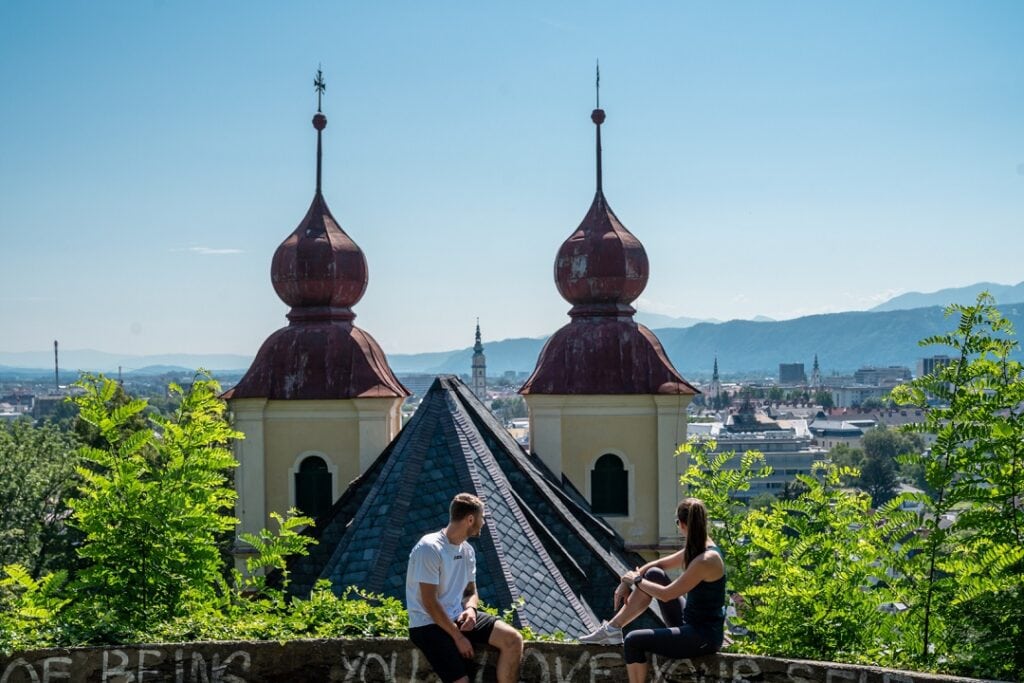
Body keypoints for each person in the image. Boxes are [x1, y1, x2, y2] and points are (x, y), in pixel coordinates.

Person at [579, 497, 726, 682]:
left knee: (633, 641)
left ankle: (614, 631)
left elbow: (667, 595)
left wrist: (636, 581)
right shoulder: (697, 547)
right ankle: (612, 629)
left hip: (702, 636)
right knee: (655, 573)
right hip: (689, 621)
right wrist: (626, 581)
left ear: (681, 524)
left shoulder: (706, 560)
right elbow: (658, 564)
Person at [406, 493, 524, 683]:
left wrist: (471, 609)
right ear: (470, 519)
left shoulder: (467, 550)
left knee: (513, 640)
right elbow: (429, 602)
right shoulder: (429, 548)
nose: (483, 523)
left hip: (457, 615)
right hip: (428, 624)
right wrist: (458, 637)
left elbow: (470, 592)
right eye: (482, 518)